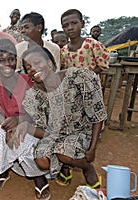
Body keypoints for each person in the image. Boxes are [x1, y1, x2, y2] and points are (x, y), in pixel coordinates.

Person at [20, 45, 107, 193]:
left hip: (83, 129)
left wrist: (92, 149)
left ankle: (87, 168)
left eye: (37, 62)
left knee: (64, 154)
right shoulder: (32, 96)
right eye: (28, 67)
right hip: (56, 135)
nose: (33, 69)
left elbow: (97, 114)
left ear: (49, 62)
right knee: (41, 161)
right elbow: (43, 130)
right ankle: (66, 165)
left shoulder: (78, 77)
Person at [0, 38, 48, 200]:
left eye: (11, 59)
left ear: (16, 61)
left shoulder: (29, 81)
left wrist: (19, 122)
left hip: (31, 125)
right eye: (1, 60)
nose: (6, 64)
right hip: (5, 123)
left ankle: (38, 176)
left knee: (22, 138)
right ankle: (2, 170)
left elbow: (38, 110)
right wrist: (7, 124)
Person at [60, 9, 110, 74]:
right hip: (71, 83)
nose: (70, 28)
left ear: (82, 24)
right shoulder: (63, 51)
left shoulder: (93, 44)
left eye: (74, 23)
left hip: (91, 83)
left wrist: (86, 76)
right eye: (66, 25)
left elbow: (102, 65)